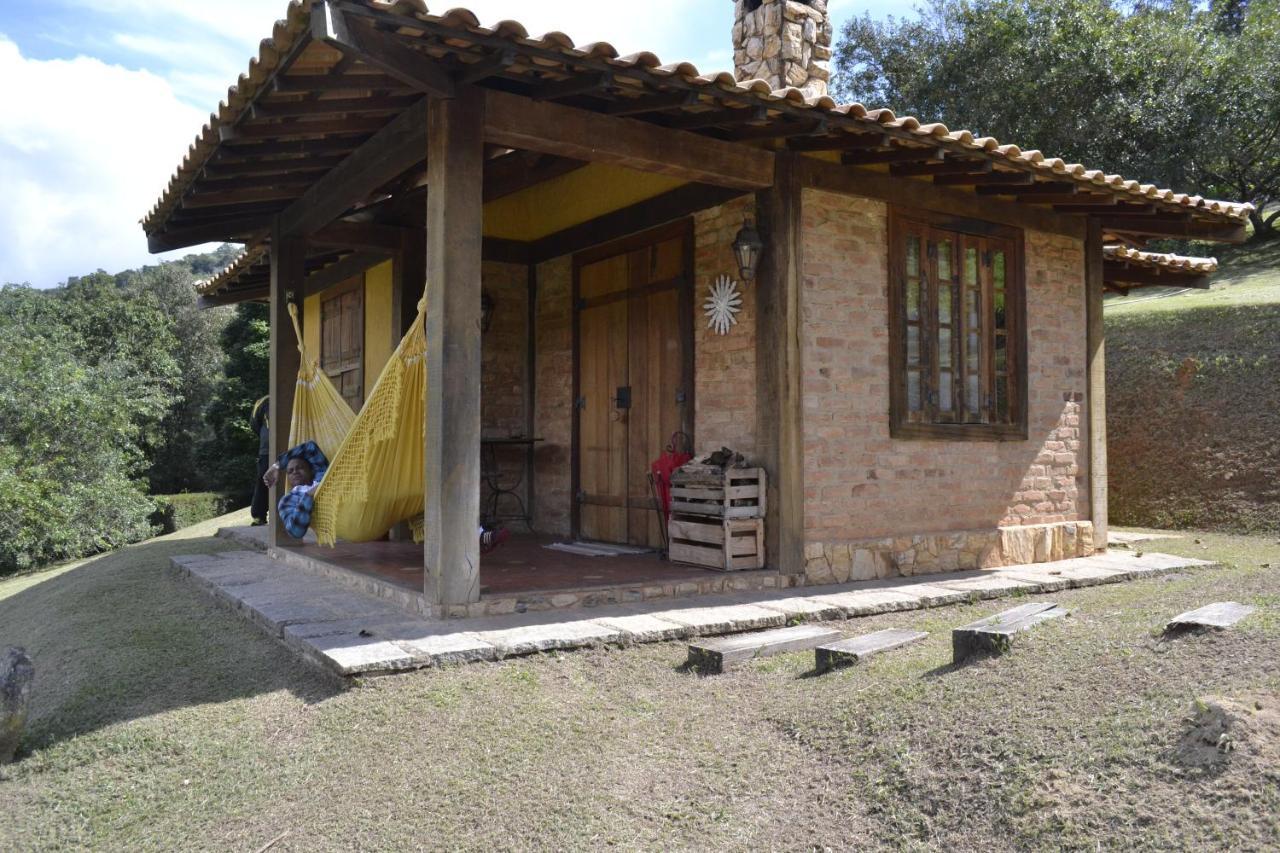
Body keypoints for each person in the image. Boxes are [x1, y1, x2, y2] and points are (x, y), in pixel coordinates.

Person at [249, 397, 270, 526]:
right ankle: (259, 516)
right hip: (266, 450)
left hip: (290, 445)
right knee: (263, 481)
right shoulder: (263, 401)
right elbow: (254, 424)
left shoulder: (296, 395)